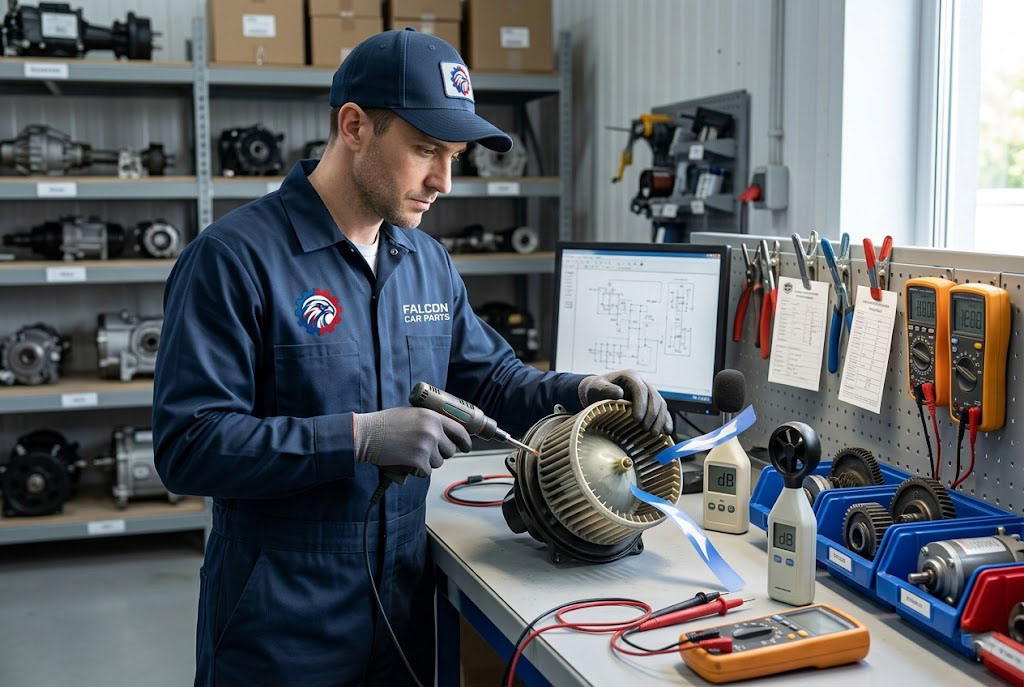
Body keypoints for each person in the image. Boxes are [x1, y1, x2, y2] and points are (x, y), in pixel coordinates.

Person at [153, 28, 672, 687]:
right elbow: (188, 444)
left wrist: (581, 389)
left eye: (453, 155)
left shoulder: (423, 261)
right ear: (354, 126)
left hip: (401, 602)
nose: (444, 180)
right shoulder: (234, 259)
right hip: (281, 615)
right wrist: (360, 436)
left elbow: (493, 377)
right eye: (426, 149)